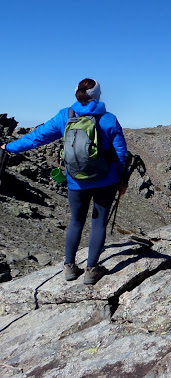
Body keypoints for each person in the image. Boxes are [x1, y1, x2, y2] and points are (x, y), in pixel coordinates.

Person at [1, 78, 127, 285]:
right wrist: (122, 179)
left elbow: (37, 137)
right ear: (98, 96)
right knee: (98, 223)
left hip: (76, 181)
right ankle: (92, 270)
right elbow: (121, 153)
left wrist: (10, 147)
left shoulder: (65, 116)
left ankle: (69, 267)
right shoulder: (108, 119)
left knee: (76, 221)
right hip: (107, 180)